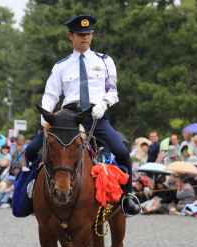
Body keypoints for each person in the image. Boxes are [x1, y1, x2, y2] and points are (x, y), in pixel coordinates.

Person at [24, 15, 140, 216]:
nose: (85, 38)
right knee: (32, 149)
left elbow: (112, 91)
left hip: (96, 115)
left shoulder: (105, 61)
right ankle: (32, 192)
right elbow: (51, 95)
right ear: (71, 36)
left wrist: (103, 104)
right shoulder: (61, 66)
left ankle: (128, 196)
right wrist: (45, 119)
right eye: (80, 34)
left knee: (121, 151)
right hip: (67, 117)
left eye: (88, 34)